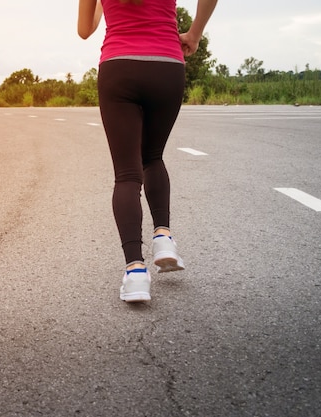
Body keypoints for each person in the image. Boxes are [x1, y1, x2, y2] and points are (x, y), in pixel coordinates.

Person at [78, 0, 217, 302]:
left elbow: (84, 30)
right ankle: (163, 237)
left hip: (119, 65)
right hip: (167, 65)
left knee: (127, 174)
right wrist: (194, 34)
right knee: (152, 156)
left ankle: (136, 272)